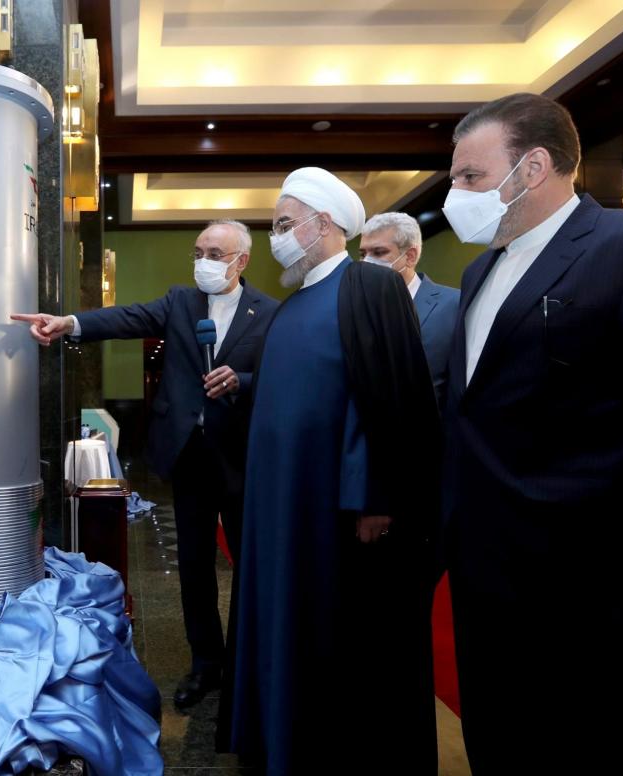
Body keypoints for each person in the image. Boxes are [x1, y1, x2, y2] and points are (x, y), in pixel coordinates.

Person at [440, 93, 623, 774]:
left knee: (586, 748)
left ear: (534, 167)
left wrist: (619, 545)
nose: (455, 194)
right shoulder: (483, 268)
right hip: (482, 572)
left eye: (470, 178)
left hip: (582, 589)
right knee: (499, 739)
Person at [221, 167, 440, 773]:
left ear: (325, 225)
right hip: (280, 505)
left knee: (334, 640)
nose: (277, 237)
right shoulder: (293, 306)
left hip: (332, 512)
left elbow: (390, 399)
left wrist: (376, 498)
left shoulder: (368, 287)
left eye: (285, 224)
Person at [11, 219, 277, 709]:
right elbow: (127, 318)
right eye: (198, 251)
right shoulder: (180, 301)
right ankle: (206, 664)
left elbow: (280, 374)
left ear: (242, 261)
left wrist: (241, 379)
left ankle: (246, 661)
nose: (204, 261)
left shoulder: (272, 313)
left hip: (243, 455)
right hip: (190, 456)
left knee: (249, 564)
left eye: (216, 253)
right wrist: (70, 323)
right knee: (195, 563)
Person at [359, 211, 459, 404]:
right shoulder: (355, 310)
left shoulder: (455, 304)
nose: (366, 263)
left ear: (410, 256)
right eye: (363, 254)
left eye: (379, 252)